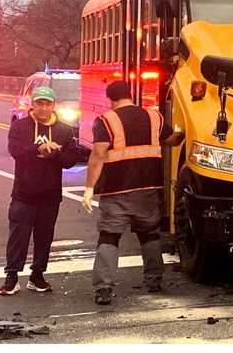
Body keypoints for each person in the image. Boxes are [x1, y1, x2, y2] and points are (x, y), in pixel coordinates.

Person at [82, 81, 184, 305]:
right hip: (149, 188)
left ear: (111, 99)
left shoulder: (106, 120)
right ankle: (154, 280)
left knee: (109, 236)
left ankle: (103, 289)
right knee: (149, 234)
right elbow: (172, 140)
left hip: (117, 190)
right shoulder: (154, 117)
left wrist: (89, 188)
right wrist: (183, 131)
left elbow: (98, 155)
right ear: (130, 95)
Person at [0, 86, 78, 295]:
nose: (43, 108)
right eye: (39, 103)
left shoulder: (64, 130)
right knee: (18, 236)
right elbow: (15, 151)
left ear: (54, 106)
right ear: (32, 104)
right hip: (23, 193)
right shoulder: (20, 126)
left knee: (44, 237)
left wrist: (55, 153)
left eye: (47, 103)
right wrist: (38, 149)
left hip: (50, 195)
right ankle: (12, 277)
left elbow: (71, 160)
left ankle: (37, 275)